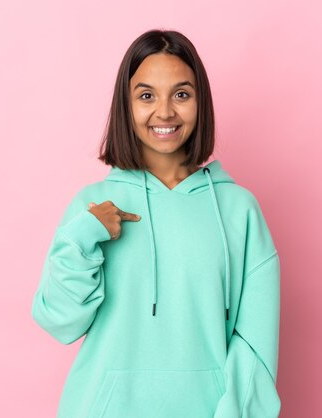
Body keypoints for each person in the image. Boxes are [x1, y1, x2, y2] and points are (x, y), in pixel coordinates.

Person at [31, 28, 281, 418]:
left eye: (181, 94)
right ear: (125, 105)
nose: (164, 112)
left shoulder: (238, 210)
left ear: (201, 102)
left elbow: (255, 344)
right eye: (146, 95)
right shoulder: (93, 207)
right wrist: (85, 235)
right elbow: (59, 320)